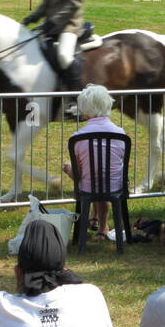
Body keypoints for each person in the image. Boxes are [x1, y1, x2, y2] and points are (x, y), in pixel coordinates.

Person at [61, 84, 127, 240]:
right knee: (101, 174)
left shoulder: (77, 138)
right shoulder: (120, 134)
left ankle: (96, 222)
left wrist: (67, 169)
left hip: (88, 188)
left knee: (92, 176)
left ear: (84, 111)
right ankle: (102, 226)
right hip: (116, 186)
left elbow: (77, 174)